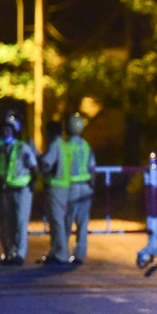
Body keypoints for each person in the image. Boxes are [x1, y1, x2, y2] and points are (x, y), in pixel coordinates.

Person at [0, 113, 38, 266]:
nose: (5, 131)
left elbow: (34, 167)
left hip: (22, 190)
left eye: (8, 128)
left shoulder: (22, 147)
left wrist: (34, 181)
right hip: (4, 190)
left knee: (20, 222)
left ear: (14, 130)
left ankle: (19, 254)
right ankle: (8, 253)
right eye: (3, 129)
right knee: (5, 224)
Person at [64, 113, 96, 265]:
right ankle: (80, 255)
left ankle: (62, 252)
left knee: (66, 222)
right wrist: (92, 185)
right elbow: (92, 168)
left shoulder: (65, 146)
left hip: (70, 187)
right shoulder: (86, 145)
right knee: (82, 224)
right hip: (86, 187)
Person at [38, 120, 69, 265]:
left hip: (55, 187)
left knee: (56, 222)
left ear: (49, 133)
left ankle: (60, 254)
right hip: (65, 187)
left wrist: (36, 156)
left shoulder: (54, 145)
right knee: (59, 221)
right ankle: (55, 251)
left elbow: (46, 163)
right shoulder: (64, 145)